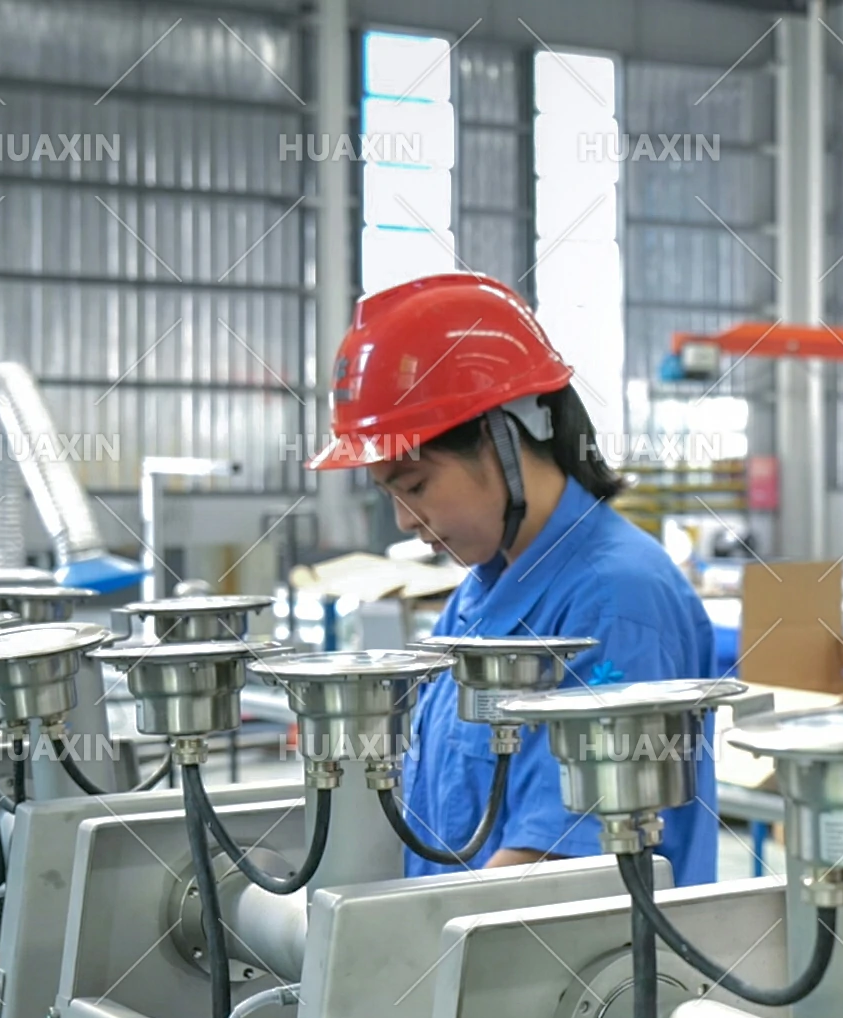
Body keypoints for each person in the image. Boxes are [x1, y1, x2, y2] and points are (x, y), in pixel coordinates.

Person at [309, 272, 720, 885]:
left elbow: (557, 871)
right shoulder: (483, 592)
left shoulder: (616, 600)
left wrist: (395, 952)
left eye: (416, 485)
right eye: (387, 493)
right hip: (462, 957)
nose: (404, 519)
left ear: (508, 436)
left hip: (554, 974)